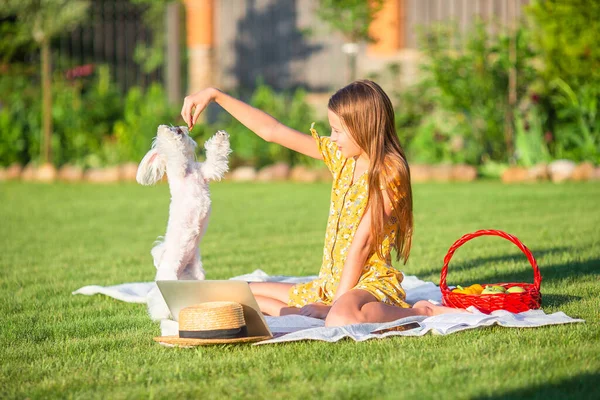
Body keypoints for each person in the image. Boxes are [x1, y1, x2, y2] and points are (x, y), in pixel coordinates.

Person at [181, 80, 465, 327]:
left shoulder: (389, 171)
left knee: (340, 318)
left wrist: (333, 306)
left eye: (338, 130)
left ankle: (417, 312)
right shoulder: (342, 157)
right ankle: (306, 312)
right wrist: (216, 95)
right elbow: (273, 131)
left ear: (363, 128)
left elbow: (362, 245)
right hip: (330, 284)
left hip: (370, 284)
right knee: (233, 292)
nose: (333, 138)